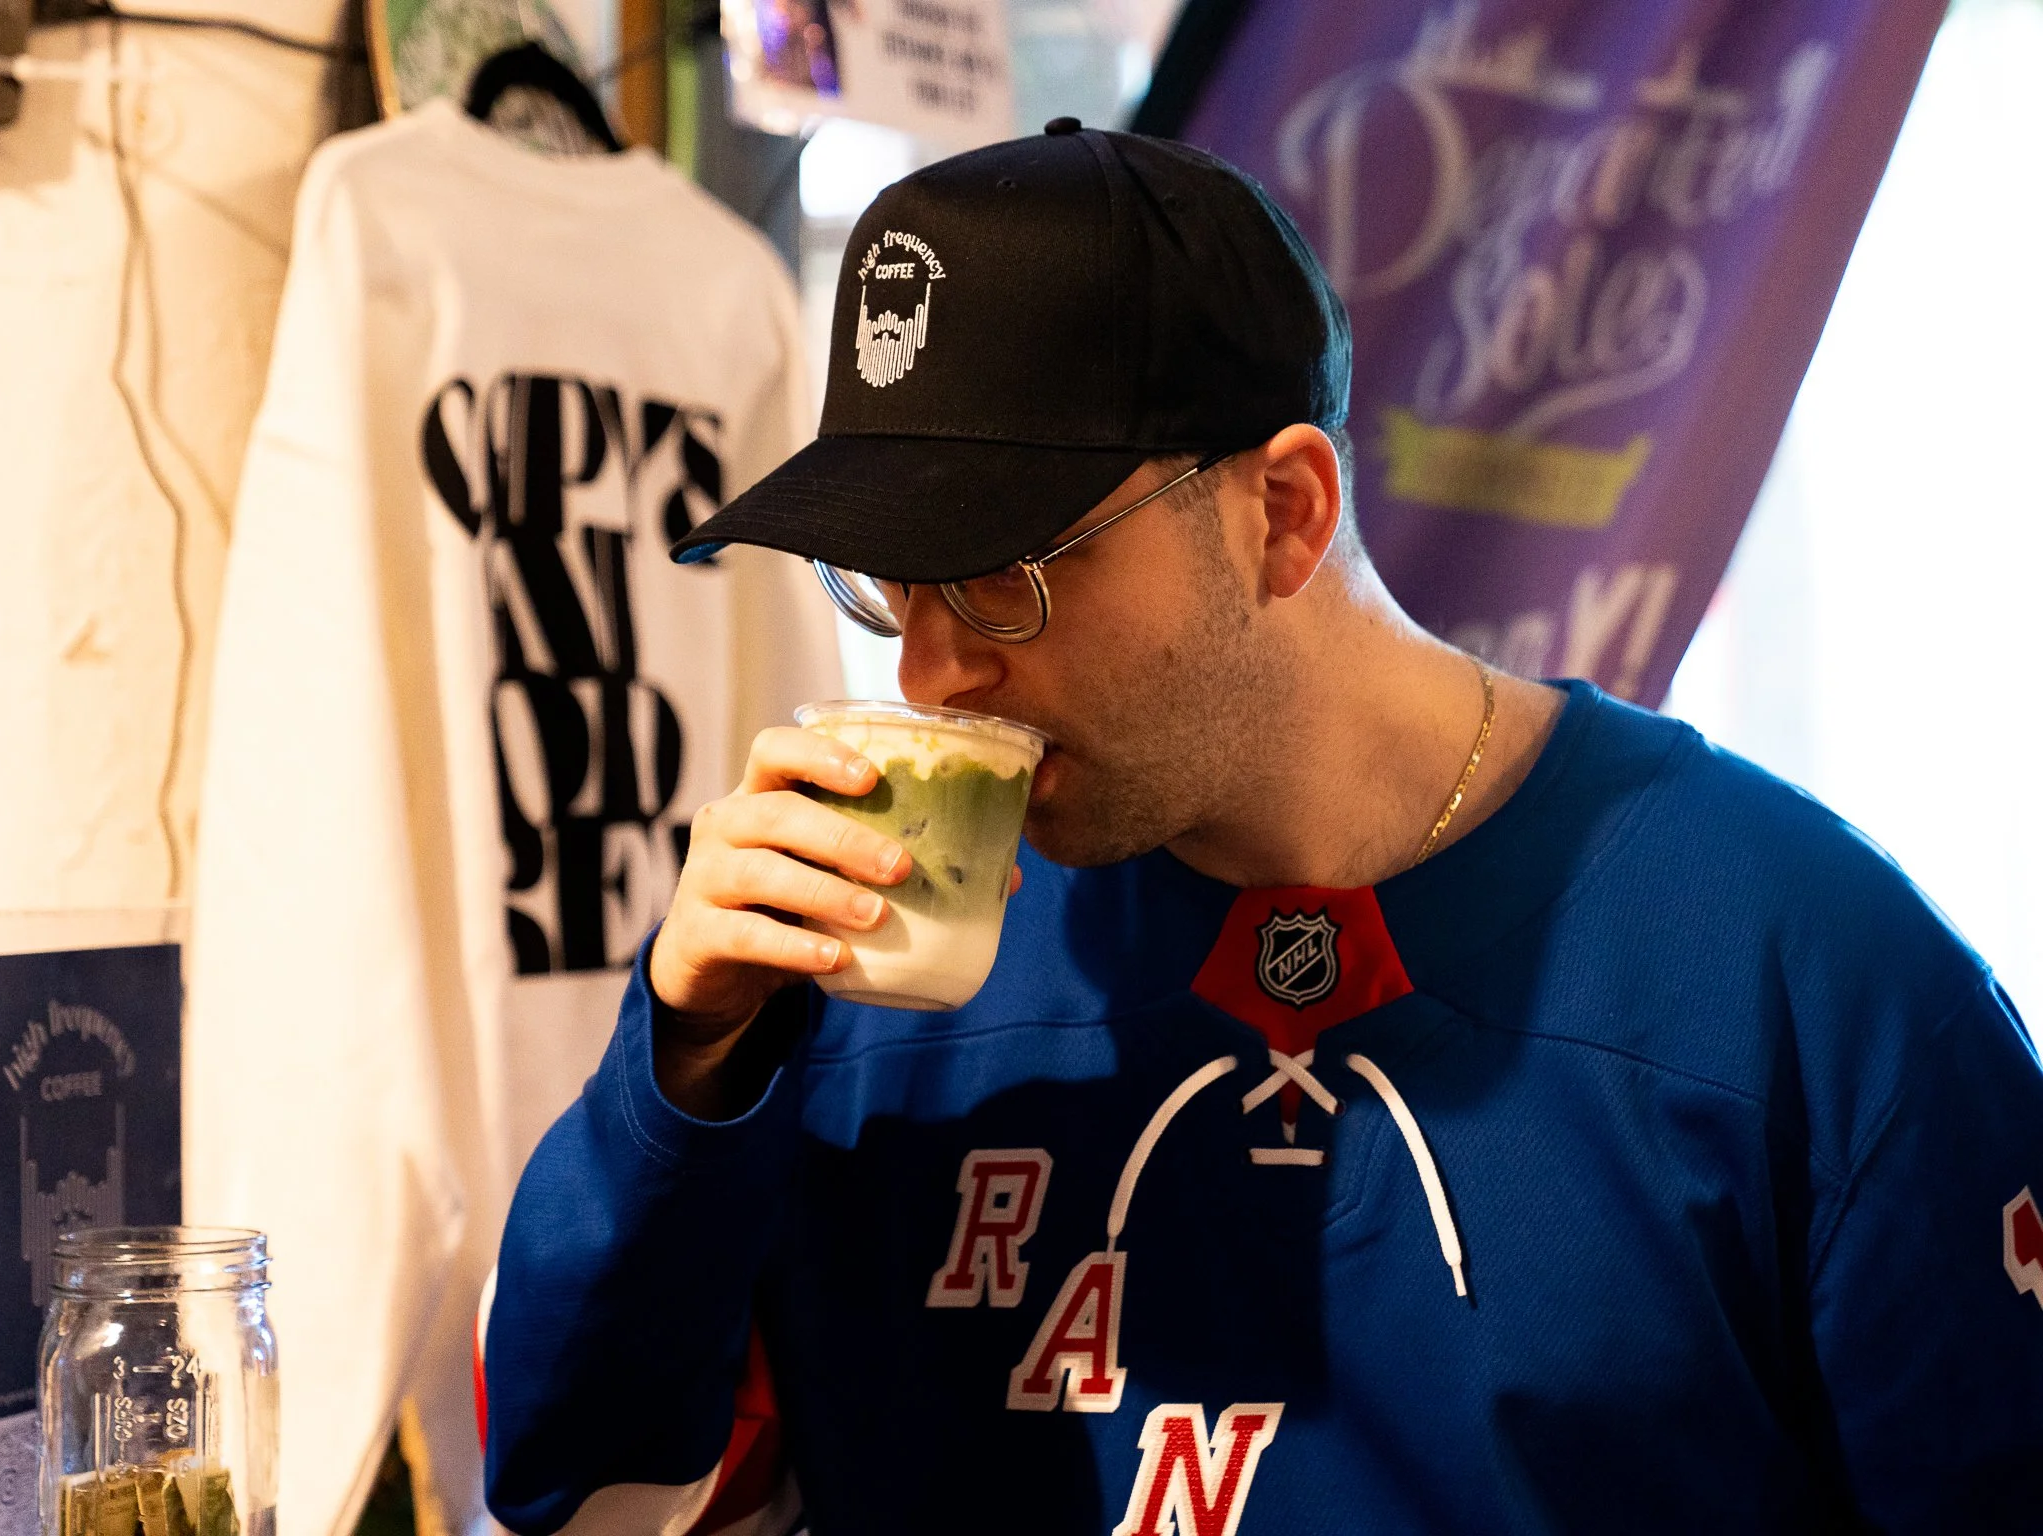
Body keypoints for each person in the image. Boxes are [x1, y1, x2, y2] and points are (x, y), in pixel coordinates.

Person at [478, 121, 2043, 1535]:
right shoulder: (870, 968)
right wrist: (685, 1065)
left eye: (1003, 580)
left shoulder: (1806, 979)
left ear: (1283, 515)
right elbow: (573, 1479)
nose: (932, 675)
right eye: (887, 591)